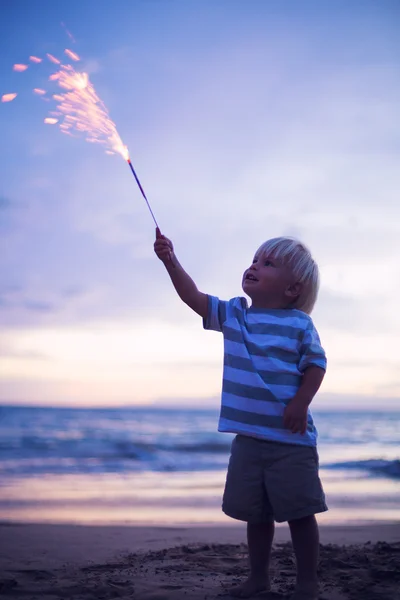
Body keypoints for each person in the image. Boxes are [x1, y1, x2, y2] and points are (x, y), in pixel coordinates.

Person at [154, 228, 327, 600]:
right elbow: (193, 297)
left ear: (292, 289)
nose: (254, 266)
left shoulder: (299, 324)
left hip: (290, 441)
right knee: (256, 515)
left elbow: (316, 365)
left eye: (267, 263)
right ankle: (258, 578)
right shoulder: (234, 314)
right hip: (248, 439)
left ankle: (308, 582)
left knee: (300, 513)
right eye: (254, 259)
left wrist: (301, 402)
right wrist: (170, 261)